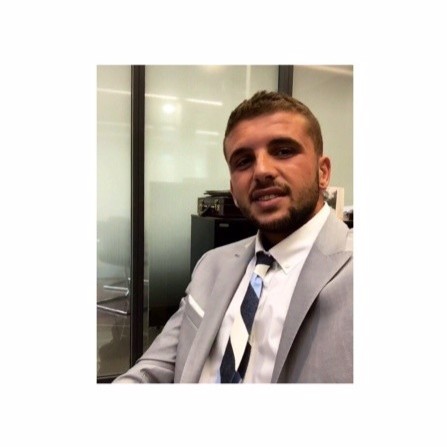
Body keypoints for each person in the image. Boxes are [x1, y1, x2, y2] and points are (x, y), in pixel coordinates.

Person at [113, 90, 353, 383]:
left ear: (323, 172)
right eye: (243, 161)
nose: (261, 171)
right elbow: (157, 366)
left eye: (283, 151)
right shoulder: (211, 265)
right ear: (233, 189)